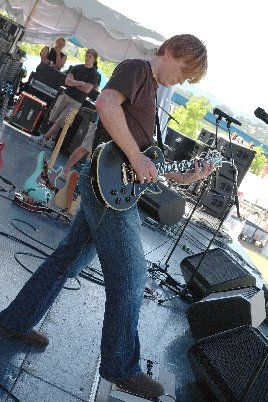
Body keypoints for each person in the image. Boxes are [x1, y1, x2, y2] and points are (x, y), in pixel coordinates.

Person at [0, 34, 214, 399]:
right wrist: (136, 156)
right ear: (173, 52)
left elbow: (151, 164)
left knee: (65, 261)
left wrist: (188, 175)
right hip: (107, 193)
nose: (182, 82)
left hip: (115, 191)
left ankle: (15, 321)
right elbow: (106, 104)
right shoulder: (137, 70)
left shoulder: (154, 98)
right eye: (185, 72)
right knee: (132, 277)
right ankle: (121, 368)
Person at [32, 48, 99, 148]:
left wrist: (73, 82)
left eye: (90, 57)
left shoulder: (94, 74)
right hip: (65, 95)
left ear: (94, 59)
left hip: (76, 102)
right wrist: (80, 83)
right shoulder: (77, 67)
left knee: (62, 121)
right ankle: (51, 141)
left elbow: (87, 90)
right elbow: (67, 82)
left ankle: (44, 138)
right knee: (54, 118)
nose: (87, 58)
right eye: (86, 55)